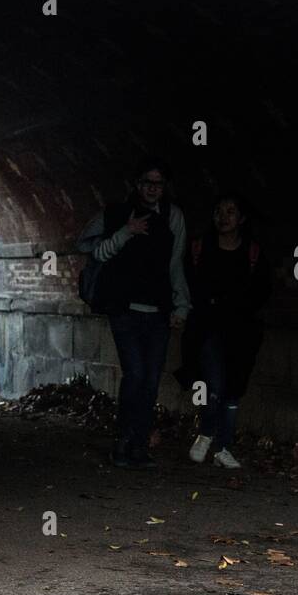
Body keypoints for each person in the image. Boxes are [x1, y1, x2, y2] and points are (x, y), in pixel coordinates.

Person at [78, 159, 191, 469]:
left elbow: (176, 264)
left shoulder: (172, 217)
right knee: (136, 374)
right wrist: (126, 232)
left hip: (158, 313)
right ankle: (124, 442)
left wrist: (182, 305)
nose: (151, 189)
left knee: (151, 380)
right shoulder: (116, 213)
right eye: (146, 182)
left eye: (157, 183)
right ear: (136, 184)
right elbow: (91, 248)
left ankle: (139, 445)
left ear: (164, 187)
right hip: (125, 310)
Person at [179, 194, 271, 469]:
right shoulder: (199, 248)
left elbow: (262, 290)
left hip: (240, 332)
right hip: (207, 328)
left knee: (233, 390)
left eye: (230, 212)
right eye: (219, 211)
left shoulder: (252, 252)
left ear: (241, 218)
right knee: (213, 385)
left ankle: (223, 447)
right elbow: (188, 283)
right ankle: (207, 432)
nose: (223, 217)